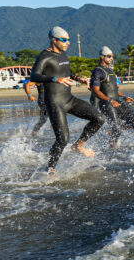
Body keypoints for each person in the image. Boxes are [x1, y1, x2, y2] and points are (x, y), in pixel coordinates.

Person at [29, 26, 104, 174]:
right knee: (62, 139)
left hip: (69, 99)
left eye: (68, 40)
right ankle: (49, 169)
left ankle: (78, 145)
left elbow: (66, 71)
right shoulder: (44, 56)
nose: (67, 43)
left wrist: (78, 78)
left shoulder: (63, 56)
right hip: (55, 102)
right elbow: (34, 76)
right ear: (54, 40)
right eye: (64, 40)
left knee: (99, 119)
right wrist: (55, 79)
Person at [90, 46, 134, 147]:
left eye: (112, 56)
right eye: (109, 56)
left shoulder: (110, 70)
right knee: (116, 127)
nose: (111, 59)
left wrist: (123, 96)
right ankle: (112, 146)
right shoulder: (98, 71)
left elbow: (113, 89)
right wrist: (109, 101)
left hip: (117, 102)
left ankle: (113, 131)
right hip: (106, 104)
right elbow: (95, 91)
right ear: (102, 57)